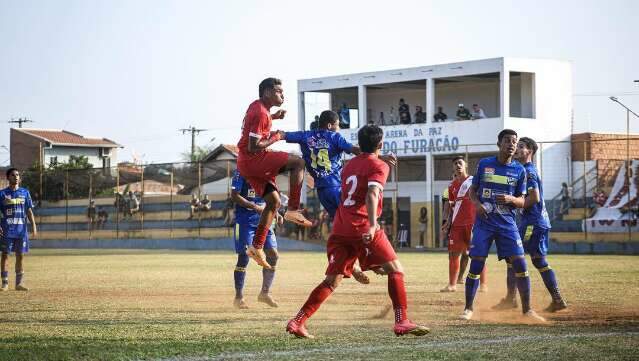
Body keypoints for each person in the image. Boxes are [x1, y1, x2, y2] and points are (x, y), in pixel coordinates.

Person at [286, 124, 429, 338]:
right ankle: (402, 321)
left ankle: (298, 321)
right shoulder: (380, 166)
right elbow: (372, 194)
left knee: (332, 280)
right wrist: (372, 224)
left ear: (359, 144)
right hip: (362, 226)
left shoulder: (349, 166)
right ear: (380, 144)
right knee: (395, 270)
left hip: (341, 227)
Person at [283, 110, 397, 283]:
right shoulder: (334, 138)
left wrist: (266, 137)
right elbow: (357, 150)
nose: (338, 129)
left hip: (322, 192)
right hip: (337, 188)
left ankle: (355, 264)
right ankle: (371, 262)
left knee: (344, 228)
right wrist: (380, 156)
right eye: (337, 126)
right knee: (360, 222)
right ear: (330, 125)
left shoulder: (305, 136)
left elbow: (284, 135)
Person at [460, 129, 545, 322]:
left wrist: (511, 199)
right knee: (477, 263)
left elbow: (523, 201)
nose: (512, 144)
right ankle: (468, 309)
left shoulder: (520, 170)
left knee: (521, 264)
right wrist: (477, 205)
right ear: (499, 143)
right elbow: (472, 191)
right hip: (484, 224)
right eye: (507, 141)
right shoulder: (484, 164)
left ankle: (527, 310)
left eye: (514, 141)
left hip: (507, 223)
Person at [236, 77, 312, 269]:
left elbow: (257, 128)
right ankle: (294, 209)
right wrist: (277, 136)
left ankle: (256, 247)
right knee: (298, 163)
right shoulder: (261, 112)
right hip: (254, 160)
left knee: (274, 202)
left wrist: (274, 118)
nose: (282, 95)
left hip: (247, 164)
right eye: (279, 91)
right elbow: (254, 146)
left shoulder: (259, 108)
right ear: (267, 92)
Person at [493, 137, 568, 312]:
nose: (517, 149)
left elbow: (534, 198)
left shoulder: (528, 171)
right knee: (538, 260)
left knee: (514, 257)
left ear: (530, 152)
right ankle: (557, 299)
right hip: (537, 222)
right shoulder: (525, 170)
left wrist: (514, 202)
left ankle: (511, 299)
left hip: (532, 224)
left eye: (521, 146)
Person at [231, 170, 281, 309]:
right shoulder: (241, 172)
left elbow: (271, 197)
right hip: (245, 222)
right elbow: (234, 196)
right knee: (245, 257)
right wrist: (255, 207)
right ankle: (239, 297)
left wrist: (275, 212)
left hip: (264, 220)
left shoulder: (266, 172)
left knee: (273, 255)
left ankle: (265, 293)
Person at [440, 157, 487, 293]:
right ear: (453, 168)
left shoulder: (474, 181)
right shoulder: (451, 186)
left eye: (460, 163)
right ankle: (452, 284)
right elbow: (450, 207)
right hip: (456, 226)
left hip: (473, 224)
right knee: (453, 254)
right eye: (455, 164)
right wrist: (446, 223)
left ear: (465, 165)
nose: (458, 165)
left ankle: (483, 284)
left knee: (477, 254)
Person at [0, 168, 37, 291]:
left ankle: (19, 283)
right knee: (5, 255)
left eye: (17, 175)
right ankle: (5, 283)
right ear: (8, 177)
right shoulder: (2, 194)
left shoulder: (25, 192)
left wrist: (34, 226)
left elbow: (29, 211)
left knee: (20, 255)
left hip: (21, 230)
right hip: (7, 230)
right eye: (13, 175)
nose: (16, 177)